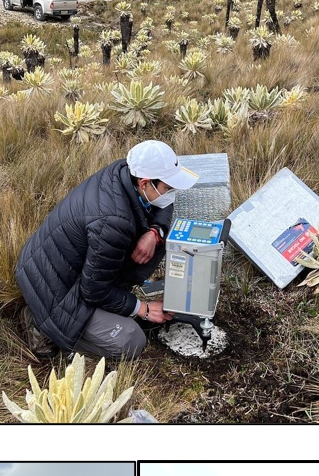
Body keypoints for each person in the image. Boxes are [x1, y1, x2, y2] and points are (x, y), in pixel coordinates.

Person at [15, 139, 199, 360]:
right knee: (131, 341)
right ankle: (41, 325)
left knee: (155, 244)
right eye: (168, 188)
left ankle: (102, 307)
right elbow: (93, 290)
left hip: (58, 270)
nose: (172, 194)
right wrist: (143, 309)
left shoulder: (123, 172)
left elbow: (164, 205)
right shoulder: (112, 223)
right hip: (56, 292)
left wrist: (154, 232)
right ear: (145, 183)